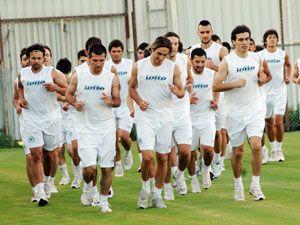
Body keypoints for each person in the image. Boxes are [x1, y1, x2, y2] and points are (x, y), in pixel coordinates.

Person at [213, 25, 267, 201]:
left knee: (257, 145)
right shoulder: (227, 61)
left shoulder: (256, 57)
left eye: (247, 39)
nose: (245, 42)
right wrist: (234, 84)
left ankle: (255, 184)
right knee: (237, 153)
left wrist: (262, 79)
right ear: (234, 41)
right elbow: (216, 85)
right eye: (241, 39)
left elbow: (263, 76)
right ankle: (238, 185)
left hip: (254, 108)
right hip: (234, 112)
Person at [129, 36, 184, 209]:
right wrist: (139, 102)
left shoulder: (172, 68)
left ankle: (157, 194)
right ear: (153, 49)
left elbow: (181, 92)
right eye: (159, 54)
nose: (161, 58)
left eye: (165, 55)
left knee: (162, 157)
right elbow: (131, 88)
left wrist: (177, 91)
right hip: (145, 117)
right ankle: (145, 189)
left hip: (165, 118)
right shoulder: (140, 66)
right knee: (146, 157)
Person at [66, 44, 120, 213]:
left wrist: (110, 102)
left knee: (106, 168)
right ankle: (88, 188)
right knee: (89, 169)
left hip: (106, 128)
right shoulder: (79, 75)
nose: (98, 64)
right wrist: (75, 103)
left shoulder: (111, 77)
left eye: (101, 60)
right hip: (85, 129)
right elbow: (68, 94)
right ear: (88, 59)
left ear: (105, 59)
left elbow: (118, 100)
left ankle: (103, 201)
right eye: (95, 60)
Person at [18, 44, 68, 206]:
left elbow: (68, 90)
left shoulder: (51, 72)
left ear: (44, 58)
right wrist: (21, 99)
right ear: (29, 59)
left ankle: (48, 182)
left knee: (50, 155)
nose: (36, 61)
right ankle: (40, 192)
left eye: (39, 58)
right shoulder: (23, 74)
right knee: (36, 154)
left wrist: (55, 87)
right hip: (31, 119)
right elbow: (20, 86)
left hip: (51, 118)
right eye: (33, 58)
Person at [191, 20, 228, 179]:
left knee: (218, 131)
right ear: (198, 33)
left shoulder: (221, 50)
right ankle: (205, 160)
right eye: (202, 32)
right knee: (199, 133)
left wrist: (213, 67)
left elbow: (229, 70)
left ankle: (218, 161)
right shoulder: (193, 49)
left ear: (212, 31)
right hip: (199, 97)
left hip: (218, 95)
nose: (205, 35)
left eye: (207, 32)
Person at [163, 32, 193, 199]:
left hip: (182, 112)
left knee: (185, 152)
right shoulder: (159, 63)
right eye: (170, 43)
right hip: (165, 112)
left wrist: (188, 85)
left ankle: (179, 175)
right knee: (166, 154)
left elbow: (189, 79)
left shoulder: (184, 61)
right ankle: (167, 188)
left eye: (176, 43)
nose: (173, 46)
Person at [258, 29, 292, 162]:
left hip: (280, 92)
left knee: (278, 122)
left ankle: (279, 150)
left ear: (277, 40)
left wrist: (288, 77)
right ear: (265, 40)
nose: (272, 39)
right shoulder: (260, 55)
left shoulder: (282, 54)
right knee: (269, 122)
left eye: (274, 37)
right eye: (269, 37)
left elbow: (289, 66)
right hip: (265, 93)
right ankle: (272, 149)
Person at [189, 47, 218, 191]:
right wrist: (187, 99)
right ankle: (193, 179)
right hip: (189, 118)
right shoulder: (185, 75)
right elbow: (177, 94)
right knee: (189, 152)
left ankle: (206, 169)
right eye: (197, 62)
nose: (200, 65)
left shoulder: (211, 74)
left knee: (208, 150)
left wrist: (215, 101)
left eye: (202, 61)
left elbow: (217, 89)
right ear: (191, 61)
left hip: (207, 117)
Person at [13, 48, 37, 202]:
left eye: (29, 59)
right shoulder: (18, 80)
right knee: (30, 157)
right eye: (24, 59)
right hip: (27, 123)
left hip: (43, 122)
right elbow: (15, 99)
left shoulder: (42, 77)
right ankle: (35, 189)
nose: (27, 62)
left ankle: (45, 183)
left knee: (44, 156)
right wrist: (18, 107)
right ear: (22, 61)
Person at [108, 39, 134, 176]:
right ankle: (118, 164)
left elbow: (134, 83)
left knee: (123, 136)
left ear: (122, 52)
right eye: (114, 51)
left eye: (119, 51)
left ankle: (128, 151)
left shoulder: (129, 64)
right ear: (109, 52)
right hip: (111, 107)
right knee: (112, 138)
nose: (116, 54)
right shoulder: (106, 66)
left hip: (125, 106)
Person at [248, 40, 272, 164]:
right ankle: (257, 150)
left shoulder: (260, 60)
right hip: (245, 101)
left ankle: (263, 149)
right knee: (249, 131)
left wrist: (262, 81)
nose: (249, 46)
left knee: (258, 125)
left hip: (259, 98)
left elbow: (269, 76)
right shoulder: (235, 62)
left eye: (251, 44)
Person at [56, 58, 73, 185]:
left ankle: (79, 172)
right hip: (57, 118)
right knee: (59, 150)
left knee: (71, 149)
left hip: (71, 117)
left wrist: (66, 100)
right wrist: (64, 99)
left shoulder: (72, 79)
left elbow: (72, 96)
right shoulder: (53, 78)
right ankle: (65, 176)